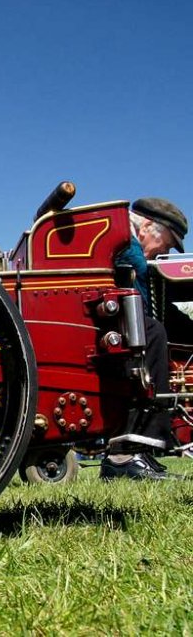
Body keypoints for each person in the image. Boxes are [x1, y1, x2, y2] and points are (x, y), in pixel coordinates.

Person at [101, 197, 188, 480]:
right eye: (166, 243)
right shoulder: (127, 243)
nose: (163, 251)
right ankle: (128, 452)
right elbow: (134, 287)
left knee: (154, 329)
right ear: (148, 225)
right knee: (152, 332)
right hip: (104, 327)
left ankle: (137, 451)